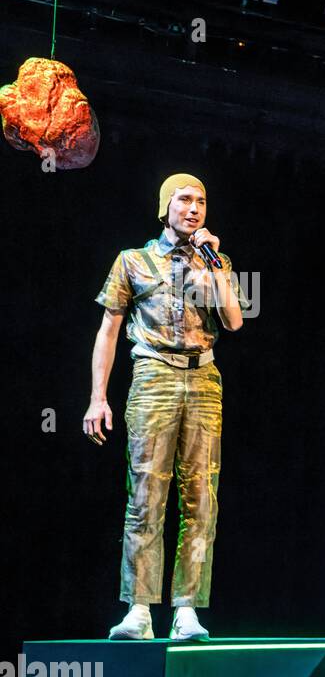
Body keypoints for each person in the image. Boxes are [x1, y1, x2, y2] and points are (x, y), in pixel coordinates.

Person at [84, 174, 246, 641]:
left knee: (201, 498)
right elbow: (108, 332)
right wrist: (98, 397)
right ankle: (139, 609)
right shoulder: (133, 261)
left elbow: (234, 321)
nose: (194, 208)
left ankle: (187, 609)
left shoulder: (215, 261)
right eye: (184, 200)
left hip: (203, 378)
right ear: (165, 206)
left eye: (201, 201)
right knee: (146, 494)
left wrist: (215, 267)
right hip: (153, 374)